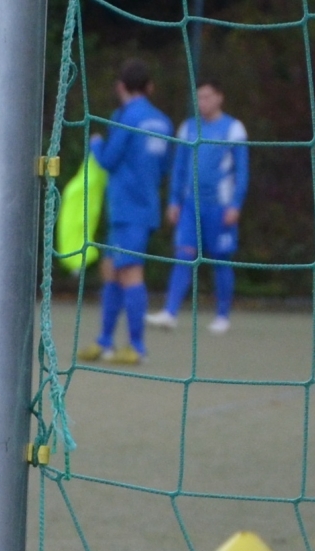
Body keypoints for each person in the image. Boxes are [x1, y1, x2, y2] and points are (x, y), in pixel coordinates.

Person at [79, 58, 174, 366]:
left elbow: (107, 160)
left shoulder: (123, 117)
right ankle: (105, 341)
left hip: (126, 208)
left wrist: (95, 144)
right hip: (144, 206)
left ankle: (137, 346)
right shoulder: (163, 121)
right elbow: (163, 167)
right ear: (150, 87)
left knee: (130, 272)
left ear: (120, 86)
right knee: (111, 268)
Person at [147, 78, 248, 335]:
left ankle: (222, 315)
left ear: (219, 97)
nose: (202, 102)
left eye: (207, 96)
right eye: (199, 97)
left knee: (221, 259)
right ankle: (170, 312)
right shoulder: (188, 127)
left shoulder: (234, 129)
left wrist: (235, 204)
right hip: (191, 206)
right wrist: (173, 201)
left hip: (220, 206)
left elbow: (242, 171)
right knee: (183, 255)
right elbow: (179, 167)